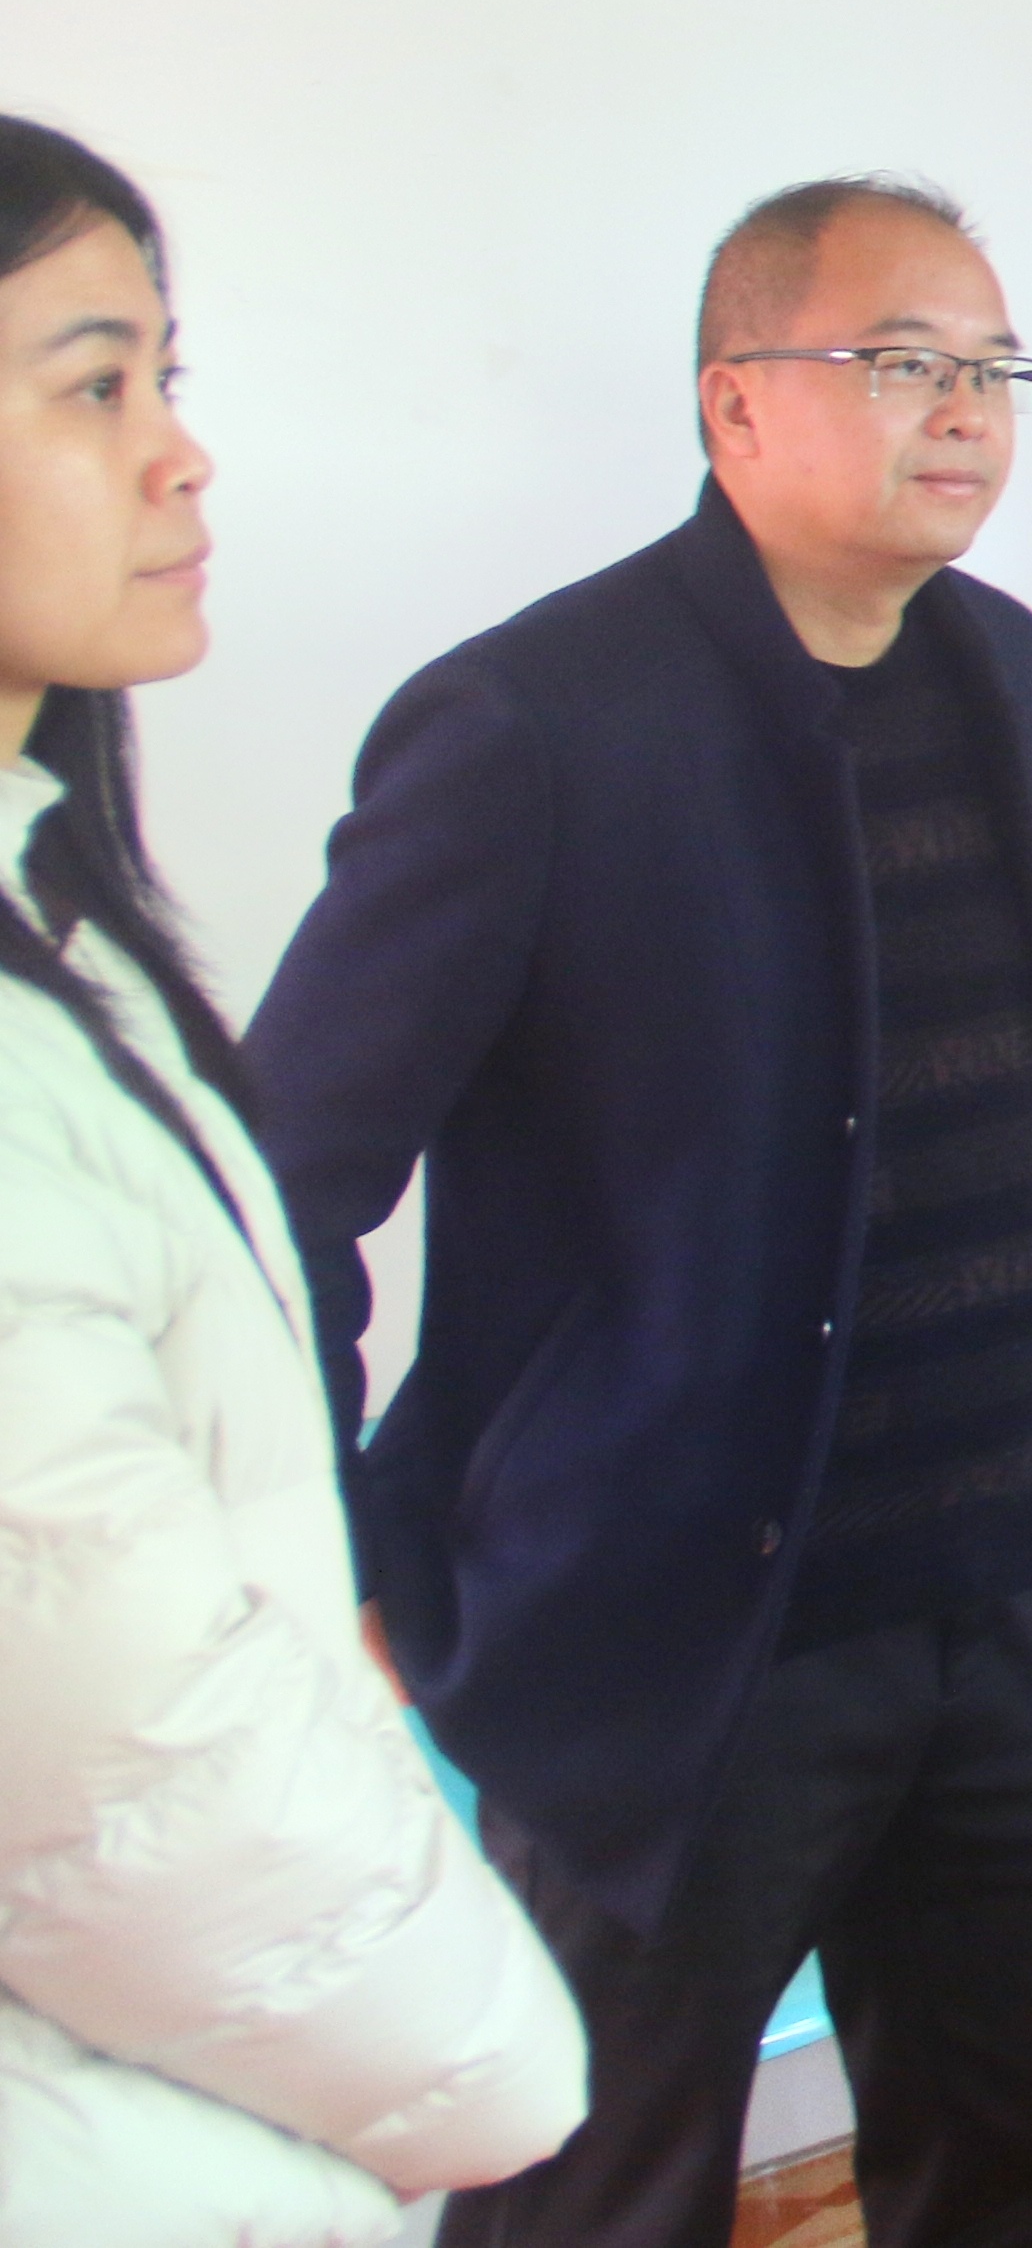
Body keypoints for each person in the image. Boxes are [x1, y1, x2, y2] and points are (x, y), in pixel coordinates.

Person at [252, 176, 1032, 2248]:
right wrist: (349, 1535)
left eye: (995, 368)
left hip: (1007, 1601)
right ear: (734, 403)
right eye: (903, 360)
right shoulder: (533, 722)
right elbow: (277, 1174)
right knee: (598, 2198)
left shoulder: (1006, 670)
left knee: (1020, 2179)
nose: (967, 410)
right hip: (694, 1642)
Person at [0, 119, 587, 2244]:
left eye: (166, 376)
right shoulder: (532, 720)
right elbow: (130, 1754)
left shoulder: (65, 943)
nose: (183, 456)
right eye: (95, 385)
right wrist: (489, 2059)